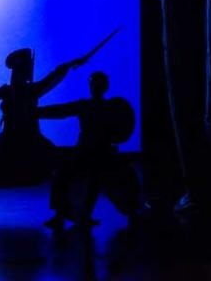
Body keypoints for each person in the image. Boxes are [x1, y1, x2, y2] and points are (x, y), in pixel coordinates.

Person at [0, 49, 86, 212]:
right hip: (10, 139)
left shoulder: (32, 89)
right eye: (16, 70)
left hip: (31, 138)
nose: (17, 73)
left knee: (61, 165)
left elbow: (54, 76)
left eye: (21, 69)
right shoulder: (8, 90)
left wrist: (70, 64)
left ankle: (62, 211)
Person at [39, 72, 142, 229]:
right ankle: (63, 216)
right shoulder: (90, 106)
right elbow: (60, 111)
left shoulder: (106, 107)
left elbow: (61, 111)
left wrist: (35, 113)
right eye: (93, 83)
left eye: (97, 84)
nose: (95, 87)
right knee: (66, 176)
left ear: (104, 87)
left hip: (100, 153)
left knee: (118, 180)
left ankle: (131, 214)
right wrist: (36, 112)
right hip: (88, 152)